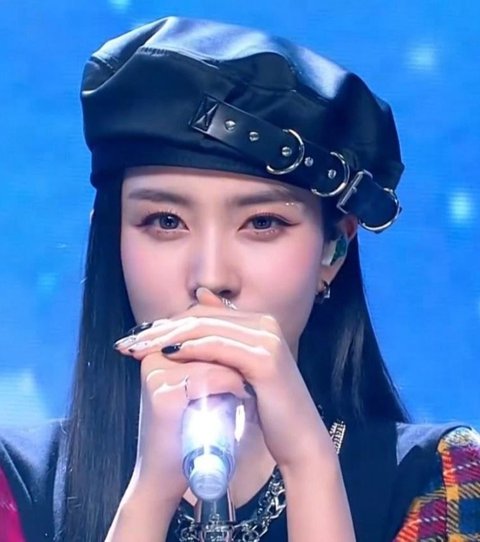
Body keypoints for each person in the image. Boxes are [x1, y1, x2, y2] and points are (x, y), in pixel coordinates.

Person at [1, 15, 479, 542]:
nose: (211, 278)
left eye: (262, 223)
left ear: (334, 248)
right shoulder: (14, 486)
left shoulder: (438, 479)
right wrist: (150, 494)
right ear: (112, 241)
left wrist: (310, 467)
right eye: (166, 221)